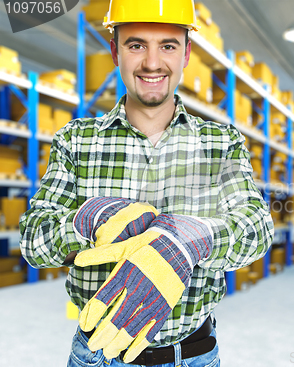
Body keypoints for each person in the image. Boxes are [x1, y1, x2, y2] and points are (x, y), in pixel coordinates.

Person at [19, 0, 274, 366]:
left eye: (168, 46)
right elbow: (32, 240)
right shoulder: (76, 140)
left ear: (186, 54)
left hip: (193, 354)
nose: (152, 63)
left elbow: (258, 229)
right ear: (115, 51)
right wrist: (86, 220)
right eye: (136, 45)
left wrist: (190, 241)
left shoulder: (222, 143)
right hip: (99, 355)